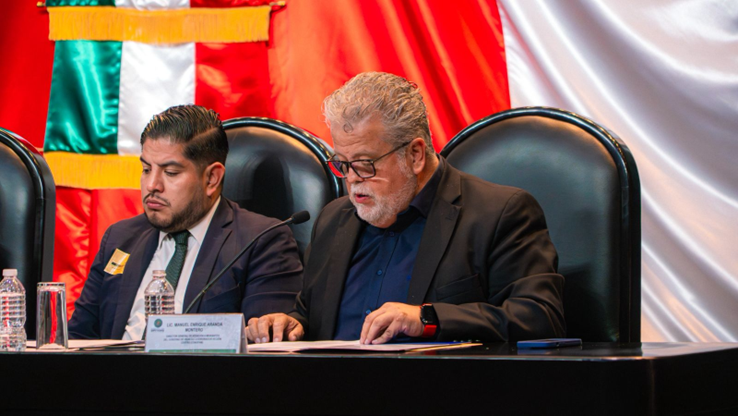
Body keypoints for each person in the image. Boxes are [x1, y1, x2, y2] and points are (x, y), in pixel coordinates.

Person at [248, 72, 565, 344]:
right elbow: (310, 314)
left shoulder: (498, 213)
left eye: (365, 164)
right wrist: (292, 324)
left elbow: (539, 317)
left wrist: (428, 319)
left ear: (415, 155)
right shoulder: (334, 219)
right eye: (342, 164)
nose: (352, 179)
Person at [69, 105, 303, 339]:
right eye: (146, 169)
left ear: (212, 178)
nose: (152, 185)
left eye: (170, 172)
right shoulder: (120, 237)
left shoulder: (262, 242)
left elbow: (264, 344)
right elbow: (79, 338)